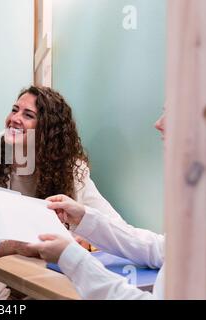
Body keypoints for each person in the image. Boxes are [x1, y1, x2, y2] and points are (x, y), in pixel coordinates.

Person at [0, 86, 127, 300]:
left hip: (49, 286)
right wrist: (17, 246)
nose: (14, 119)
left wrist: (86, 243)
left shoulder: (73, 173)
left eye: (28, 115)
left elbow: (115, 227)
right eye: (14, 110)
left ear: (48, 130)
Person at [27, 113, 167, 299]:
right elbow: (160, 249)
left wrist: (71, 258)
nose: (158, 123)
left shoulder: (74, 171)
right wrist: (83, 217)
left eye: (173, 112)